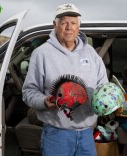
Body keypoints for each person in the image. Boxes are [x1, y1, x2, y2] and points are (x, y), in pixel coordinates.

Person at [22, 3, 108, 156]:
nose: (69, 27)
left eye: (73, 22)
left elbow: (103, 87)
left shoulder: (91, 54)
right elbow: (29, 92)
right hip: (56, 136)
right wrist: (44, 101)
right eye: (64, 22)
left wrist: (108, 100)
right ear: (55, 25)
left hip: (87, 135)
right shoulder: (41, 54)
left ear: (79, 26)